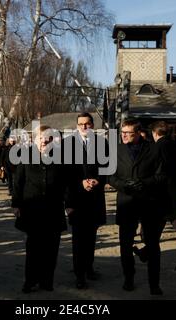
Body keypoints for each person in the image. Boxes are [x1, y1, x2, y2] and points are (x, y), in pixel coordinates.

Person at [108, 118, 166, 295]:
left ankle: (154, 284)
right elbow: (109, 175)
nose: (124, 136)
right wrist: (123, 186)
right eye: (122, 133)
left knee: (153, 245)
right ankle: (129, 278)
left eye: (128, 133)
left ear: (139, 133)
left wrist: (144, 183)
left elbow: (162, 175)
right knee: (125, 245)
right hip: (126, 202)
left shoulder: (154, 149)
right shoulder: (116, 150)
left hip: (149, 202)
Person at [133, 121, 176, 272]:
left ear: (154, 133)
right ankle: (146, 253)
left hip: (162, 195)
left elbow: (157, 173)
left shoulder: (157, 147)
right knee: (164, 226)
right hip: (175, 193)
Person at [12, 125, 68, 293]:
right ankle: (30, 280)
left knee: (51, 248)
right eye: (41, 137)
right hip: (32, 209)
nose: (45, 140)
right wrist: (16, 204)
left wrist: (69, 203)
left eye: (48, 137)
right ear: (35, 139)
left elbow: (66, 184)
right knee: (33, 248)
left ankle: (46, 280)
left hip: (53, 209)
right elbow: (18, 182)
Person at [65, 112, 107, 289]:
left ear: (92, 125)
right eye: (81, 124)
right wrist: (79, 184)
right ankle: (79, 274)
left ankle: (89, 268)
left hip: (95, 198)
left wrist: (98, 180)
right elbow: (64, 175)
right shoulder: (67, 145)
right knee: (78, 240)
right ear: (77, 126)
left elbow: (107, 168)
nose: (84, 127)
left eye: (87, 123)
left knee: (91, 237)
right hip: (76, 198)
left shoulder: (102, 143)